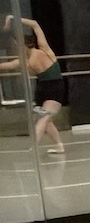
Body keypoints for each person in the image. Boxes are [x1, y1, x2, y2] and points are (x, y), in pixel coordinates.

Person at [1, 15, 66, 154]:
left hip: (55, 88)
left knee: (44, 118)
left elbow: (35, 24)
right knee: (46, 121)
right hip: (42, 89)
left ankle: (33, 147)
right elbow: (7, 65)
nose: (16, 47)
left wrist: (13, 18)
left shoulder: (44, 49)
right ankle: (59, 146)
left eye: (17, 45)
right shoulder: (24, 60)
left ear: (25, 45)